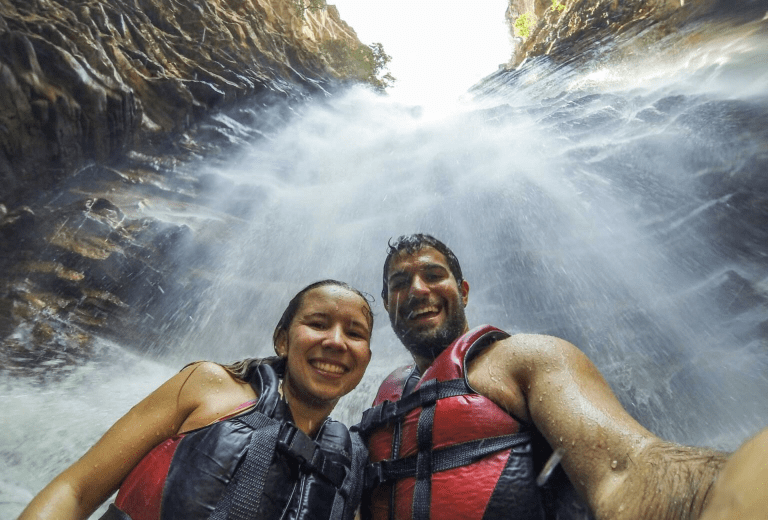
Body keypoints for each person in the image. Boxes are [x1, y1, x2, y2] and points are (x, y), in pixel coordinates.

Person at [355, 233, 765, 520]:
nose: (418, 289)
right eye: (400, 282)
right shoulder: (386, 397)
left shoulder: (525, 358)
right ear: (388, 305)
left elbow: (627, 468)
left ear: (463, 291)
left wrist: (732, 488)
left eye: (433, 275)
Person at [18, 279, 374, 520]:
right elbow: (76, 489)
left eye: (354, 332)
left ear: (367, 359)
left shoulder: (347, 463)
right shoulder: (209, 386)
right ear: (282, 340)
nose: (336, 341)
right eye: (318, 323)